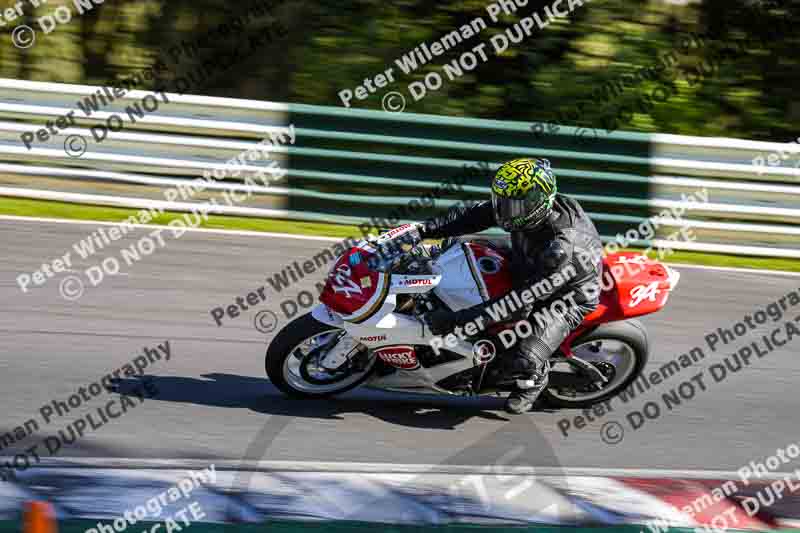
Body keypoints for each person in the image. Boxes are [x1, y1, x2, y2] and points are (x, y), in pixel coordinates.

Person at [413, 157, 604, 414]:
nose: (503, 211)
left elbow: (517, 304)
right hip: (528, 257)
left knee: (521, 356)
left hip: (567, 295)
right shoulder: (525, 208)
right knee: (458, 248)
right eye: (501, 203)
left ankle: (536, 378)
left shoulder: (559, 249)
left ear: (537, 204)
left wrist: (456, 321)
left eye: (511, 206)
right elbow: (474, 215)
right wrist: (424, 230)